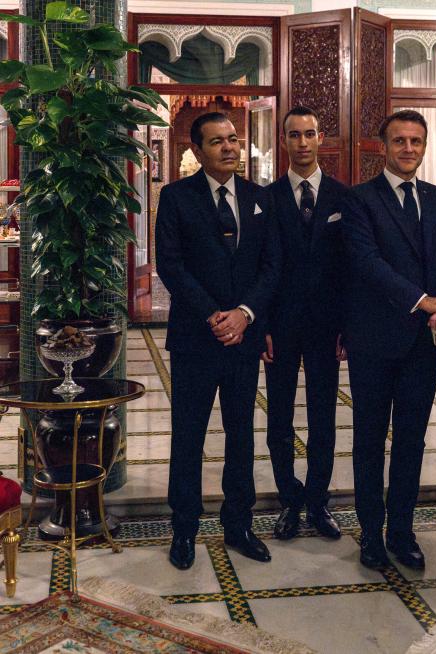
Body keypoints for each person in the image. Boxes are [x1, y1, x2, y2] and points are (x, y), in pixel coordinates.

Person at [343, 110, 436, 570]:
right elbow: (366, 263)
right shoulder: (360, 200)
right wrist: (426, 301)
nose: (408, 148)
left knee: (412, 441)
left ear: (424, 146)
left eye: (416, 141)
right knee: (369, 439)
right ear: (383, 146)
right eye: (399, 140)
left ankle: (401, 530)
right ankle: (369, 535)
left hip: (423, 345)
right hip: (374, 341)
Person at [155, 112, 280, 570]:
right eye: (217, 142)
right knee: (188, 436)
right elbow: (171, 265)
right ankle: (184, 529)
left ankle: (239, 524)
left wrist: (245, 315)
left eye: (233, 139)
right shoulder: (175, 198)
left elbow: (272, 266)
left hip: (242, 340)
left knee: (241, 434)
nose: (230, 148)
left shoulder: (258, 198)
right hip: (196, 339)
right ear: (197, 151)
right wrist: (213, 315)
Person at [263, 106, 346, 541]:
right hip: (279, 328)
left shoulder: (342, 198)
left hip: (327, 330)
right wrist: (262, 328)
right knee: (279, 419)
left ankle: (318, 501)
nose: (302, 143)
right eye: (293, 135)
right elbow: (262, 268)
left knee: (323, 417)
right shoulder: (267, 199)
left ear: (320, 138)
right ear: (283, 141)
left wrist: (346, 328)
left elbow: (350, 269)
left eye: (309, 134)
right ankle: (288, 501)